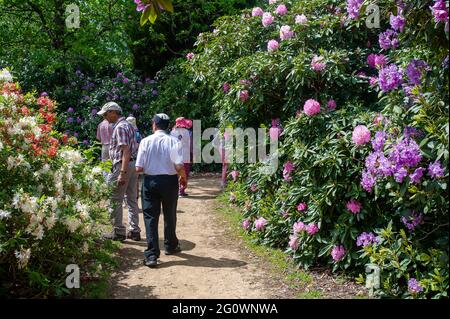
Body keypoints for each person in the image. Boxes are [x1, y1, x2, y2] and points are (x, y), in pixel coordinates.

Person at [136, 113, 187, 268]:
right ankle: (171, 245)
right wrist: (183, 178)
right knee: (170, 214)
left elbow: (139, 168)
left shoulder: (145, 141)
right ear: (167, 126)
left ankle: (151, 255)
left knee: (150, 217)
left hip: (150, 181)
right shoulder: (174, 141)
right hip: (169, 181)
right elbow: (179, 166)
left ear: (154, 125)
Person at [97, 102, 141, 241]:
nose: (104, 117)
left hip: (123, 165)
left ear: (113, 112)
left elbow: (125, 150)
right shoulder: (128, 125)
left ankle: (118, 232)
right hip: (132, 165)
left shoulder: (120, 127)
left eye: (105, 114)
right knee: (131, 198)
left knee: (114, 198)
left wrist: (122, 173)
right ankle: (134, 231)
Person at [170, 117, 193, 197]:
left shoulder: (172, 132)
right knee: (184, 173)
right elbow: (190, 145)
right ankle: (181, 190)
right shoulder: (187, 132)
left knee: (175, 173)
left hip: (175, 156)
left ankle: (175, 191)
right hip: (185, 156)